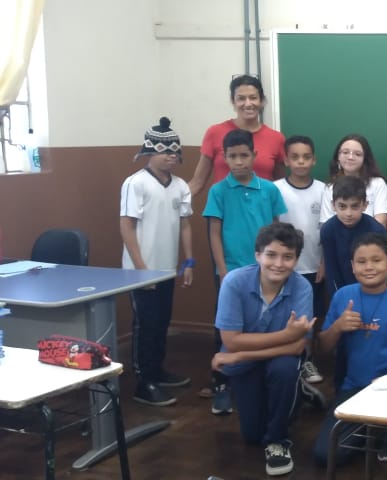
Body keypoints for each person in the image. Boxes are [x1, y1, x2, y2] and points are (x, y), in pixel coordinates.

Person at [312, 233, 387, 466]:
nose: (369, 267)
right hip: (354, 387)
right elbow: (323, 348)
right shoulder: (343, 296)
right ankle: (370, 426)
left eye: (376, 260)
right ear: (352, 266)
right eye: (361, 261)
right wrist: (337, 327)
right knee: (325, 455)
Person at [209, 222, 314, 477]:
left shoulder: (302, 287)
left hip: (280, 360)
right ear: (257, 255)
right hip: (248, 361)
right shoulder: (234, 282)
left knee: (285, 370)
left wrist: (242, 354)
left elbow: (298, 346)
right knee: (253, 435)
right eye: (271, 255)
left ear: (296, 259)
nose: (278, 263)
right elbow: (231, 340)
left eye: (288, 257)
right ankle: (299, 394)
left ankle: (279, 440)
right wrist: (285, 335)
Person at [203, 128, 288, 415]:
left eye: (244, 155)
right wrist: (223, 270)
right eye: (232, 156)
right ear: (224, 158)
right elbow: (214, 233)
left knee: (265, 322)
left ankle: (261, 378)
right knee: (226, 327)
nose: (238, 162)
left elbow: (276, 229)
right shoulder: (218, 191)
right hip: (232, 270)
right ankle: (221, 385)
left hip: (266, 270)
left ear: (254, 155)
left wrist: (276, 262)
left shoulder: (270, 189)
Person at [120, 117, 194, 406]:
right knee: (145, 325)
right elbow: (127, 226)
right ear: (150, 151)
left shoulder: (181, 186)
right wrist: (141, 269)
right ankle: (144, 381)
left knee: (162, 322)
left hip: (166, 269)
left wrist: (189, 261)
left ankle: (157, 370)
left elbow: (185, 225)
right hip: (141, 271)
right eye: (165, 150)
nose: (171, 156)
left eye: (175, 151)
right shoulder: (135, 183)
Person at [274, 135, 326, 384]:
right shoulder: (275, 189)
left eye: (306, 157)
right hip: (283, 267)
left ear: (314, 160)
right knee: (285, 315)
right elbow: (272, 228)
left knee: (310, 316)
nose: (301, 162)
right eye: (295, 157)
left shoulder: (324, 190)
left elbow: (326, 229)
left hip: (314, 265)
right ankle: (285, 358)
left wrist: (324, 261)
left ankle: (307, 359)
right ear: (286, 160)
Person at [189, 74, 285, 196]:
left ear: (261, 101)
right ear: (233, 101)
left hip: (262, 207)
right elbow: (197, 182)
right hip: (224, 207)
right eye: (241, 98)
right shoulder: (214, 132)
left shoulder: (276, 138)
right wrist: (173, 202)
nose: (248, 103)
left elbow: (281, 186)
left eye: (253, 98)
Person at [319, 176, 387, 296]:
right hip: (342, 291)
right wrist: (340, 298)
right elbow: (332, 272)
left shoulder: (376, 230)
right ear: (333, 205)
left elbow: (380, 269)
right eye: (342, 206)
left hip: (372, 290)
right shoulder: (328, 230)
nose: (348, 213)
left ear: (365, 205)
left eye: (354, 206)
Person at [319, 134, 387, 232]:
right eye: (345, 152)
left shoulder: (377, 183)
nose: (350, 157)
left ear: (365, 158)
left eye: (357, 154)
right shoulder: (330, 187)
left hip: (371, 239)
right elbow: (326, 224)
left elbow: (380, 223)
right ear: (338, 157)